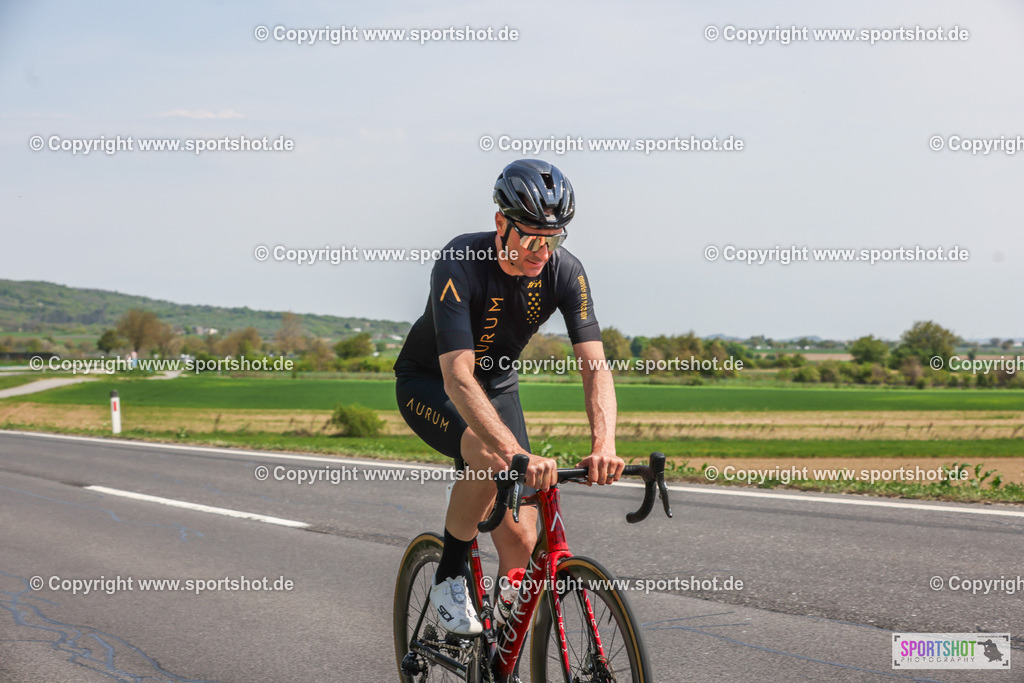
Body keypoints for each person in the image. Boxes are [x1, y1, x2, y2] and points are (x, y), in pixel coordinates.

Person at [393, 158, 624, 635]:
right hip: (431, 383)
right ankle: (447, 576)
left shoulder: (565, 272)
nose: (543, 250)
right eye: (531, 237)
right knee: (491, 457)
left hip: (496, 387)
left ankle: (499, 642)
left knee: (521, 538)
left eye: (554, 238)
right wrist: (514, 451)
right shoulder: (460, 261)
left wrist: (605, 444)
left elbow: (595, 367)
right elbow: (458, 377)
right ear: (501, 223)